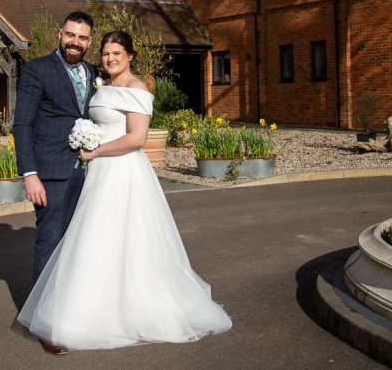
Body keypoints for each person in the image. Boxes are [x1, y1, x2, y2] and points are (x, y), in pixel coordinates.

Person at [16, 30, 232, 353]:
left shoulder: (137, 88)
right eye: (105, 53)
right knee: (94, 241)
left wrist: (95, 150)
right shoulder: (102, 84)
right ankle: (83, 308)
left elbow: (137, 138)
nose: (110, 58)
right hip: (96, 174)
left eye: (117, 52)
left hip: (123, 172)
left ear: (130, 56)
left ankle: (129, 308)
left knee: (126, 239)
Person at [12, 11, 97, 292]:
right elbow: (22, 124)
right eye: (70, 34)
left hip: (88, 174)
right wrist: (29, 174)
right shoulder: (37, 69)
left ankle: (70, 306)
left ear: (90, 42)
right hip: (50, 174)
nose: (75, 42)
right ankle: (43, 318)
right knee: (50, 242)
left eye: (82, 37)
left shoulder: (94, 73)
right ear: (59, 34)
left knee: (80, 244)